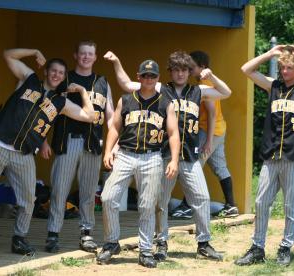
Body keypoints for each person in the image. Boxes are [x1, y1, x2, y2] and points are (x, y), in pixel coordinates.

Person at [0, 48, 95, 257]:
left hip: (23, 153)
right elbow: (7, 55)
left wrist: (81, 92)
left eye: (61, 73)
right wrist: (34, 52)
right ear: (46, 71)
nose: (56, 75)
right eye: (53, 70)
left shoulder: (60, 102)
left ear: (64, 77)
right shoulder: (29, 79)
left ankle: (19, 239)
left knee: (28, 199)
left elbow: (89, 115)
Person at [103, 50, 231, 262]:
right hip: (162, 155)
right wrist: (117, 61)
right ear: (169, 72)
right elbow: (127, 85)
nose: (181, 74)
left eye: (185, 70)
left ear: (190, 72)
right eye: (176, 70)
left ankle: (204, 243)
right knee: (160, 202)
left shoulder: (198, 90)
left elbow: (226, 92)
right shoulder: (161, 88)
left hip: (190, 155)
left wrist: (211, 76)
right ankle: (161, 242)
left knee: (202, 197)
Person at [235, 45, 294, 266]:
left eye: (289, 68)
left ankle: (285, 247)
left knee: (290, 205)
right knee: (261, 203)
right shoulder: (273, 87)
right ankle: (257, 248)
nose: (284, 72)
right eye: (282, 67)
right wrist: (269, 54)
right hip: (271, 156)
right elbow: (246, 69)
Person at [96, 59, 180, 268]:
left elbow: (173, 133)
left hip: (152, 156)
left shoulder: (165, 103)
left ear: (158, 78)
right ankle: (111, 242)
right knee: (108, 197)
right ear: (138, 76)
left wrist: (175, 160)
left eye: (152, 76)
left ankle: (145, 249)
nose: (148, 79)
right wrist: (108, 150)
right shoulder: (126, 100)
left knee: (146, 205)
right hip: (125, 154)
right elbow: (115, 127)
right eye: (145, 75)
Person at [41, 41, 114, 253]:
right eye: (82, 53)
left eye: (90, 54)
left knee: (89, 193)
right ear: (75, 55)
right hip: (68, 141)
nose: (86, 57)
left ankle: (86, 234)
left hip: (93, 143)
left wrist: (113, 146)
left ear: (95, 57)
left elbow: (110, 116)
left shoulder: (102, 81)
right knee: (59, 190)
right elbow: (47, 110)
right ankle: (53, 234)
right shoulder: (65, 78)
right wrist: (43, 140)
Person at [171, 51, 238, 219]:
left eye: (191, 67)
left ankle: (187, 206)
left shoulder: (205, 83)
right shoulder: (202, 82)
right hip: (219, 130)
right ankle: (231, 205)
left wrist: (207, 141)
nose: (188, 70)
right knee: (220, 167)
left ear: (202, 67)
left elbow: (212, 113)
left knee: (192, 165)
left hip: (208, 130)